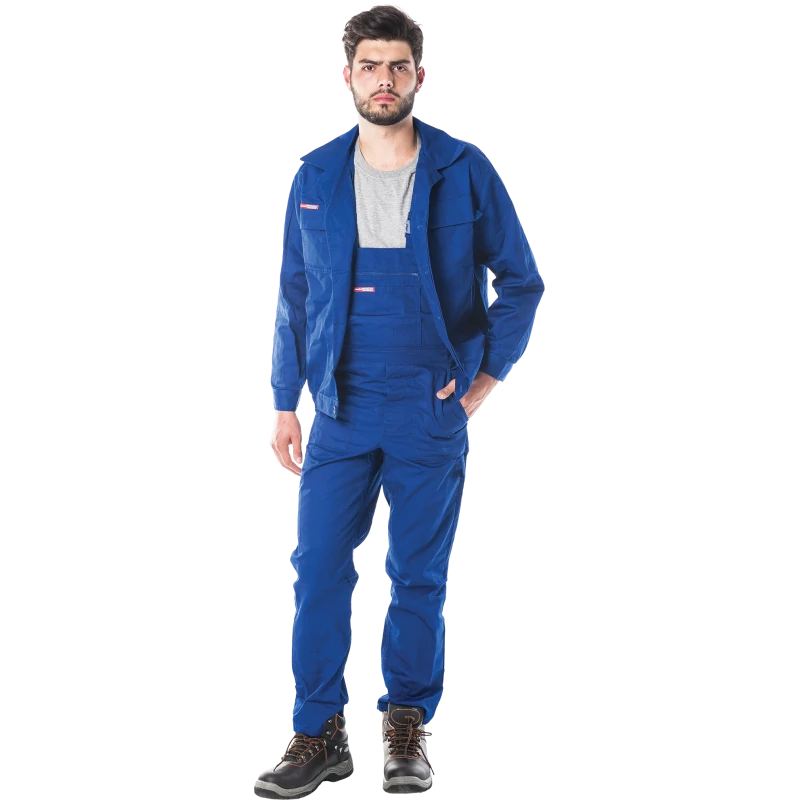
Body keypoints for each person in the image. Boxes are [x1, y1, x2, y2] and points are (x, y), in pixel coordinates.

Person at [257, 6, 545, 795]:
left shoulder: (464, 170)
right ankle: (317, 735)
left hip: (430, 403)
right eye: (368, 66)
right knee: (318, 569)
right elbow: (297, 295)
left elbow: (521, 283)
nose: (382, 80)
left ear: (419, 75)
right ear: (346, 76)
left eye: (396, 66)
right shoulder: (317, 174)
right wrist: (285, 402)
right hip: (340, 405)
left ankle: (407, 732)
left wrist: (483, 378)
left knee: (416, 575)